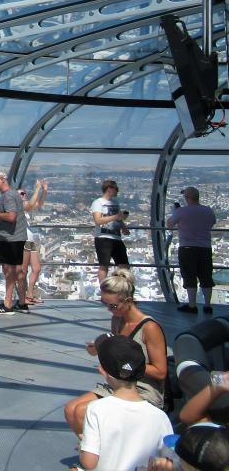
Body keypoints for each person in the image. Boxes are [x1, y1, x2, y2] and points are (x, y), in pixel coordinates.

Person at [64, 270, 168, 438]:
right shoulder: (117, 320)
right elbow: (119, 354)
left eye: (113, 306)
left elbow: (161, 372)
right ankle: (93, 453)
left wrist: (129, 362)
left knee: (83, 412)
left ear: (128, 301)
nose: (109, 310)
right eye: (106, 304)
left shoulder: (149, 328)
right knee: (70, 410)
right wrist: (101, 349)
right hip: (121, 383)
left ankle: (99, 456)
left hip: (143, 388)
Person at [76, 334, 173, 471]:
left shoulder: (97, 409)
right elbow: (169, 462)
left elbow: (89, 462)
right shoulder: (160, 417)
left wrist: (83, 447)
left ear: (103, 371)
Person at [167, 186, 217, 314]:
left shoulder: (182, 211)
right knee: (206, 276)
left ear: (187, 197)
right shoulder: (208, 211)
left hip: (187, 247)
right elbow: (212, 223)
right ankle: (207, 305)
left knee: (189, 276)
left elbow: (170, 224)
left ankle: (192, 306)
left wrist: (175, 213)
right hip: (205, 247)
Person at [0, 172, 29, 315]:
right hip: (17, 236)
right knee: (18, 271)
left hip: (10, 238)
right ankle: (22, 302)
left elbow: (11, 217)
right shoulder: (13, 194)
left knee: (9, 271)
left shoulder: (8, 196)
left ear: (3, 180)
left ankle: (8, 303)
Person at [91, 180, 130, 285]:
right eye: (116, 189)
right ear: (109, 189)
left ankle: (122, 289)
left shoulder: (115, 203)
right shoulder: (98, 203)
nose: (118, 191)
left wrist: (124, 228)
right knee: (104, 266)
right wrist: (116, 217)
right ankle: (104, 291)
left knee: (124, 266)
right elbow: (98, 220)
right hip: (103, 237)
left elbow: (118, 218)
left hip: (116, 237)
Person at [20, 180, 48, 305]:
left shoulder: (25, 209)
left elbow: (39, 204)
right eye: (21, 194)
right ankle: (24, 296)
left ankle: (30, 294)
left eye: (24, 193)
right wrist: (37, 188)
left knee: (36, 269)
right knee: (24, 269)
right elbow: (31, 205)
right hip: (23, 241)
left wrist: (44, 190)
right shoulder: (17, 207)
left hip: (30, 241)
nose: (23, 195)